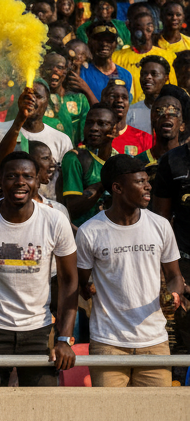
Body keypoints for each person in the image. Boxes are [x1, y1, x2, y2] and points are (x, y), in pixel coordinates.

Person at [0, 150, 79, 387]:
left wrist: (64, 338)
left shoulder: (55, 220)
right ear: (0, 181)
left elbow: (69, 282)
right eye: (12, 176)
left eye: (28, 176)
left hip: (38, 329)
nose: (20, 182)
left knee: (40, 410)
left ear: (37, 181)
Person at [78, 154, 186, 387]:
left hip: (155, 342)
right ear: (117, 187)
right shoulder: (90, 232)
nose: (148, 186)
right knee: (110, 418)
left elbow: (175, 276)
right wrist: (87, 288)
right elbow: (79, 282)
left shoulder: (160, 225)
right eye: (140, 181)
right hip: (108, 343)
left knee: (156, 418)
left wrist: (174, 295)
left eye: (147, 180)